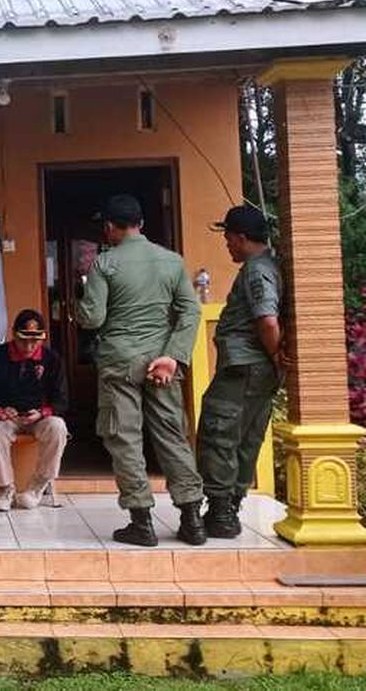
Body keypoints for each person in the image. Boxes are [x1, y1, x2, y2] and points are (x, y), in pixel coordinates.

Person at [76, 194, 206, 547]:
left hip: (119, 361)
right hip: (162, 363)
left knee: (124, 438)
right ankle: (192, 519)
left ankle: (141, 522)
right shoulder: (172, 261)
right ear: (142, 224)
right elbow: (190, 312)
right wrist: (173, 356)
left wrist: (80, 292)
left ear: (108, 227)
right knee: (172, 436)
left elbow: (92, 318)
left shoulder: (103, 264)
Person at [198, 205, 284, 538]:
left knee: (220, 431)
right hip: (255, 369)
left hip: (244, 367)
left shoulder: (255, 270)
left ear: (243, 237)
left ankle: (221, 511)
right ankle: (229, 508)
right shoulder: (269, 266)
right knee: (245, 437)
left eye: (229, 238)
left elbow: (267, 320)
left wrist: (275, 354)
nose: (227, 244)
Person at [0, 310, 70, 511]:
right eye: (23, 341)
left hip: (39, 417)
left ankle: (37, 486)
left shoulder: (52, 359)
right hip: (7, 417)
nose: (29, 347)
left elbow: (62, 399)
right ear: (14, 334)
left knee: (58, 427)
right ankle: (5, 489)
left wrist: (42, 412)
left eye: (35, 342)